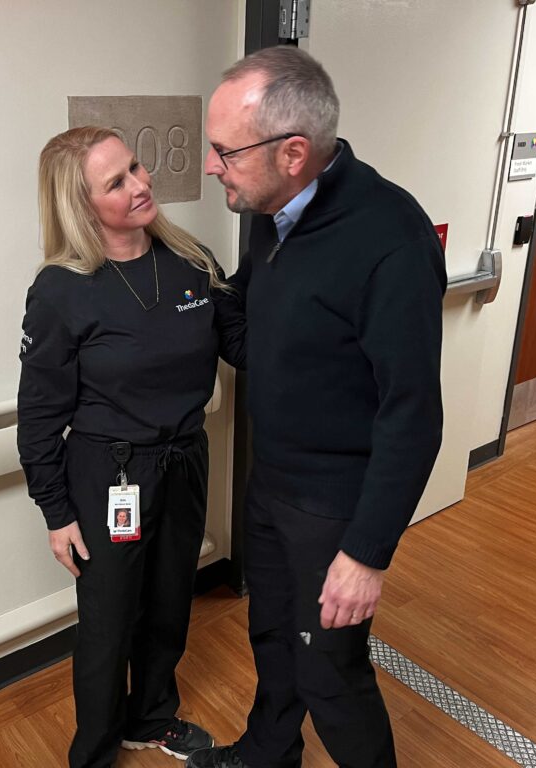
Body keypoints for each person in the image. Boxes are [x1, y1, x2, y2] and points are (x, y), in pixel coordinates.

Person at [187, 47, 445, 768]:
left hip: (336, 509)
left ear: (293, 152)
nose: (214, 166)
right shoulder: (272, 210)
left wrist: (365, 554)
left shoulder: (390, 242)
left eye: (223, 151)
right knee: (273, 637)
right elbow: (259, 324)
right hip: (271, 485)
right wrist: (186, 289)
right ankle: (269, 754)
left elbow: (414, 417)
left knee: (330, 672)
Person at [17, 125, 246, 768]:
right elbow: (39, 413)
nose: (142, 185)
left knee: (172, 599)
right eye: (116, 182)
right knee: (108, 620)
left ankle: (150, 718)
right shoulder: (61, 291)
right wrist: (57, 512)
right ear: (81, 204)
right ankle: (92, 752)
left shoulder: (191, 260)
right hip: (108, 472)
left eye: (137, 168)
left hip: (183, 460)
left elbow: (244, 342)